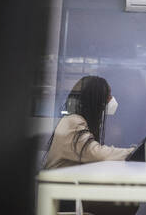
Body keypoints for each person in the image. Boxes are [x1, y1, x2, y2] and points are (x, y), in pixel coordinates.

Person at [43, 76, 137, 215]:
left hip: (70, 191)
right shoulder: (72, 123)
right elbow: (96, 152)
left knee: (128, 200)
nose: (111, 99)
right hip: (66, 196)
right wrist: (133, 152)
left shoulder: (75, 120)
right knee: (128, 202)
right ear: (95, 99)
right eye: (108, 95)